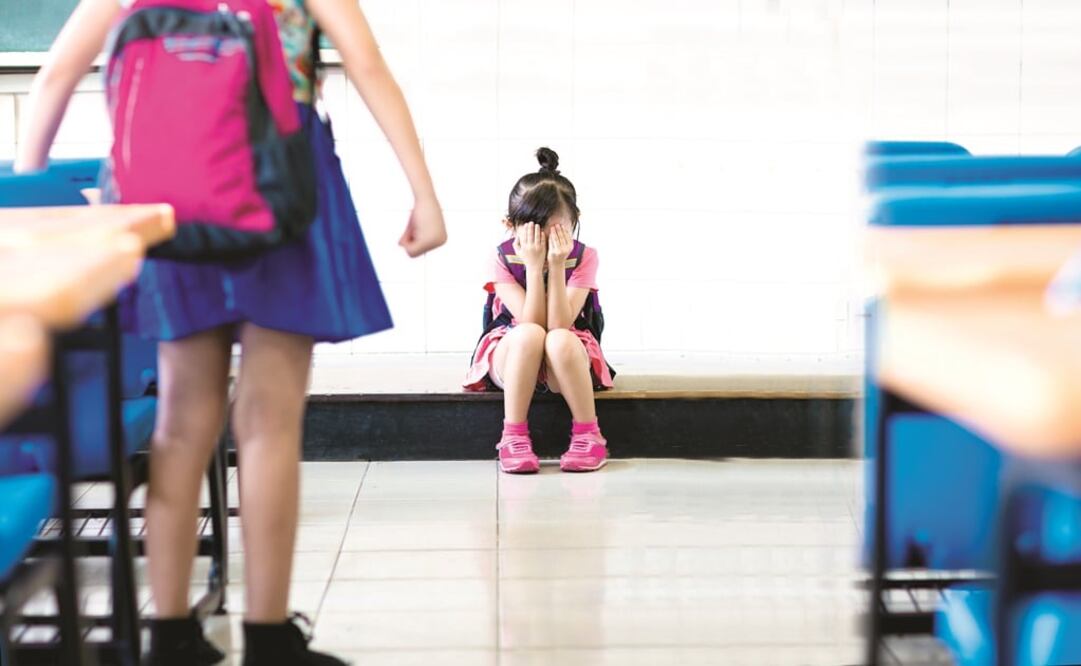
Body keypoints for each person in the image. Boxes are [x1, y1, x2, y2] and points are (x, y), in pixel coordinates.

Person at [16, 1, 446, 663]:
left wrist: (34, 198)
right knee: (268, 422)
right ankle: (269, 638)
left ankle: (168, 635)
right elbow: (365, 65)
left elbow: (53, 79)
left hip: (168, 199)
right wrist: (423, 193)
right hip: (284, 190)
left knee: (180, 424)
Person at [463, 147, 613, 474]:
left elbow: (560, 324)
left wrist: (557, 266)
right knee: (530, 333)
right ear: (510, 225)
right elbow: (532, 324)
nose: (545, 244)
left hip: (565, 354)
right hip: (515, 349)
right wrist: (533, 267)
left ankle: (589, 435)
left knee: (558, 338)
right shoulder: (501, 257)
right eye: (534, 233)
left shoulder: (584, 256)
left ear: (575, 223)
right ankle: (513, 436)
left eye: (558, 232)